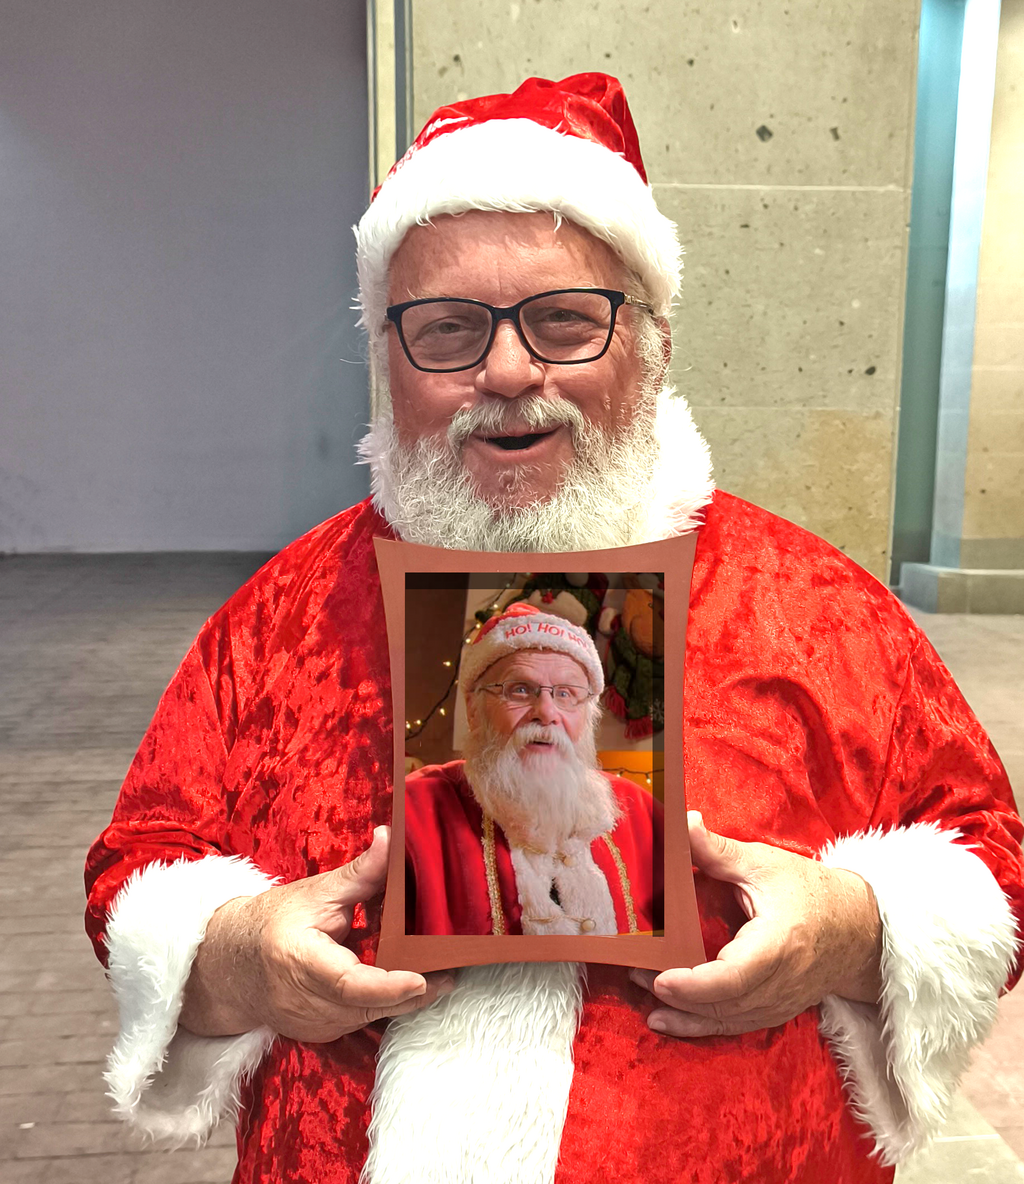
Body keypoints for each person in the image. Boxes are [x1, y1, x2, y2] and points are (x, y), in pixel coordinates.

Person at [83, 74, 1023, 1184]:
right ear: (388, 361)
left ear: (653, 342)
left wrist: (853, 932)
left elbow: (991, 862)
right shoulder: (280, 619)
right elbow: (140, 859)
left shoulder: (817, 609)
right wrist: (237, 959)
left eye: (564, 320)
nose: (507, 372)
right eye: (446, 329)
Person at [405, 602, 664, 937]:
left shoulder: (640, 810)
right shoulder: (414, 810)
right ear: (473, 709)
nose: (546, 711)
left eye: (566, 694)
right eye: (520, 690)